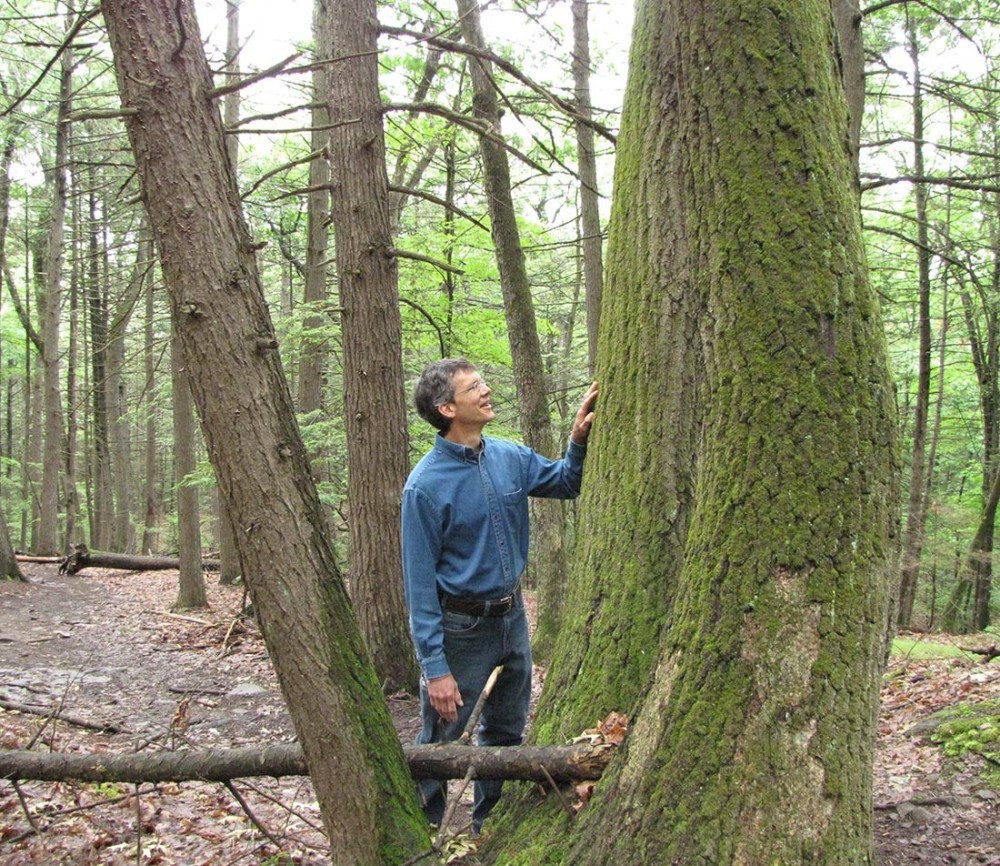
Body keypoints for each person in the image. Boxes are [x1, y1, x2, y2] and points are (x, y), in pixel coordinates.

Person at [401, 358, 598, 833]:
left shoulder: (509, 456)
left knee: (506, 733)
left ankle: (486, 828)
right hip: (460, 629)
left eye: (483, 382)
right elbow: (419, 586)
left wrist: (577, 439)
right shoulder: (424, 487)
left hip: (512, 619)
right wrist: (435, 669)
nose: (487, 391)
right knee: (439, 741)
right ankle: (422, 834)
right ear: (447, 407)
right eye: (474, 387)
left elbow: (565, 483)